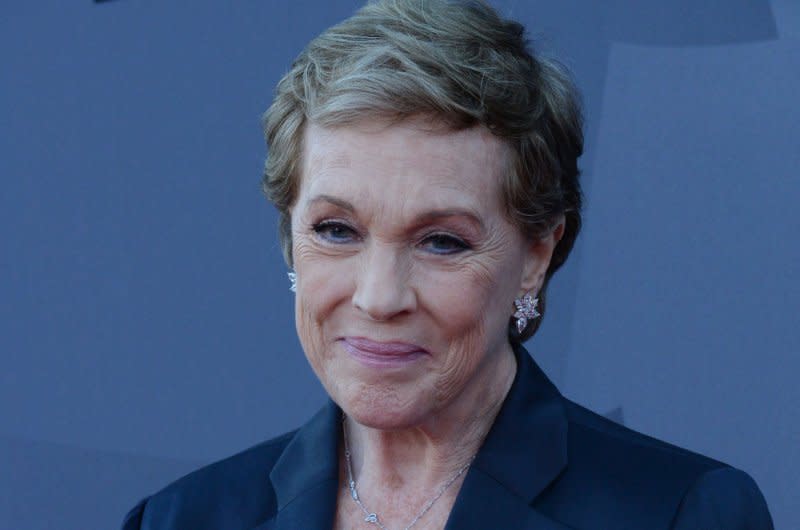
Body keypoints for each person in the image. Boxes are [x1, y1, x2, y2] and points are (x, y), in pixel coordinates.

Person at [122, 1, 773, 528]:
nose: (379, 299)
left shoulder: (684, 513)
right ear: (291, 239)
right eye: (337, 230)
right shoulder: (181, 518)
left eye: (442, 242)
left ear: (535, 257)